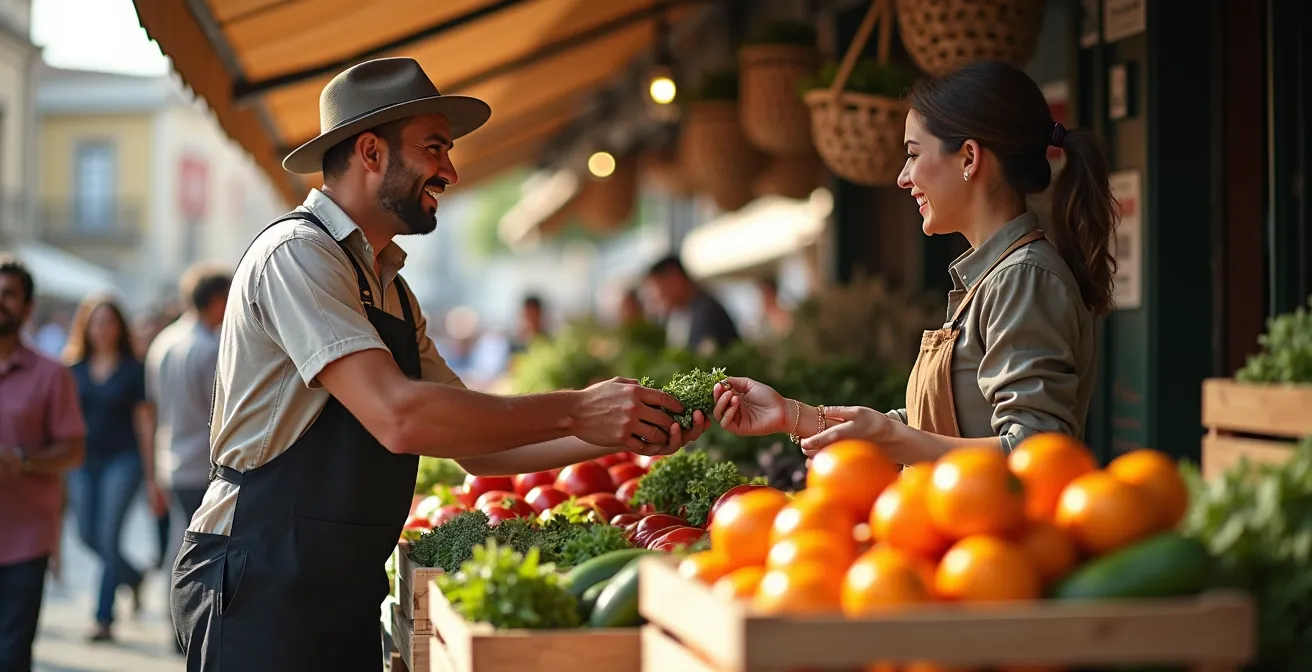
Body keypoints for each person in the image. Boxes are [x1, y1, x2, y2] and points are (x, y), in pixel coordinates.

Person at [171, 57, 706, 672]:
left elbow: (477, 448)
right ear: (371, 152)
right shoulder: (296, 256)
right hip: (260, 578)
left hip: (338, 584)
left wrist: (616, 433)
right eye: (434, 148)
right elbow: (398, 417)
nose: (449, 170)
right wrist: (580, 407)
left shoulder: (391, 288)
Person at [712, 60, 1117, 464]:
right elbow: (935, 428)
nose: (903, 177)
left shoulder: (1024, 278)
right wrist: (791, 415)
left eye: (913, 154)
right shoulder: (993, 279)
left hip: (996, 528)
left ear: (969, 158)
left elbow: (1036, 451)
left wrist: (888, 434)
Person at [0, 257, 87, 672]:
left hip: (25, 539)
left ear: (28, 307)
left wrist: (23, 461)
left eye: (9, 295)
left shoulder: (52, 375)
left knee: (12, 654)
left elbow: (73, 450)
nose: (0, 302)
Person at [63, 294, 164, 642]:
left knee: (108, 536)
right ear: (86, 327)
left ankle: (103, 617)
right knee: (86, 535)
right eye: (96, 323)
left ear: (119, 327)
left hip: (124, 459)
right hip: (82, 461)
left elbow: (145, 423)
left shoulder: (134, 369)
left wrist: (152, 477)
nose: (103, 330)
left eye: (109, 322)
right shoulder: (72, 368)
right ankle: (133, 577)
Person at [143, 265, 230, 595]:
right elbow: (219, 410)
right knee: (196, 548)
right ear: (217, 300)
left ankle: (175, 619)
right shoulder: (209, 349)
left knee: (180, 543)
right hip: (201, 462)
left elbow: (152, 408)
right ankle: (183, 621)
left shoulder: (163, 342)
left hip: (171, 458)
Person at [645, 255, 740, 353]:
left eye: (659, 288)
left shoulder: (706, 312)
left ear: (675, 278)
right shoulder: (680, 314)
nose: (658, 296)